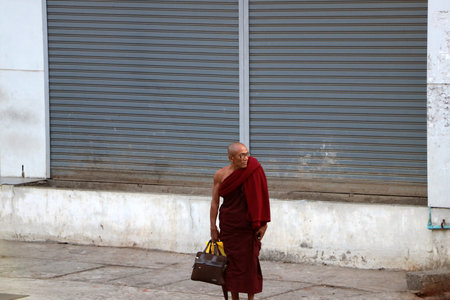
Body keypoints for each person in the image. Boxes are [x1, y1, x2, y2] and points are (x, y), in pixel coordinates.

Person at [210, 142, 271, 300]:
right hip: (229, 226)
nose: (245, 158)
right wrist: (213, 227)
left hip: (248, 226)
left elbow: (262, 197)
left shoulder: (254, 169)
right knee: (231, 265)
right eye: (241, 156)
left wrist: (264, 223)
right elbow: (215, 202)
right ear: (231, 158)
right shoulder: (220, 175)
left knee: (250, 264)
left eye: (246, 154)